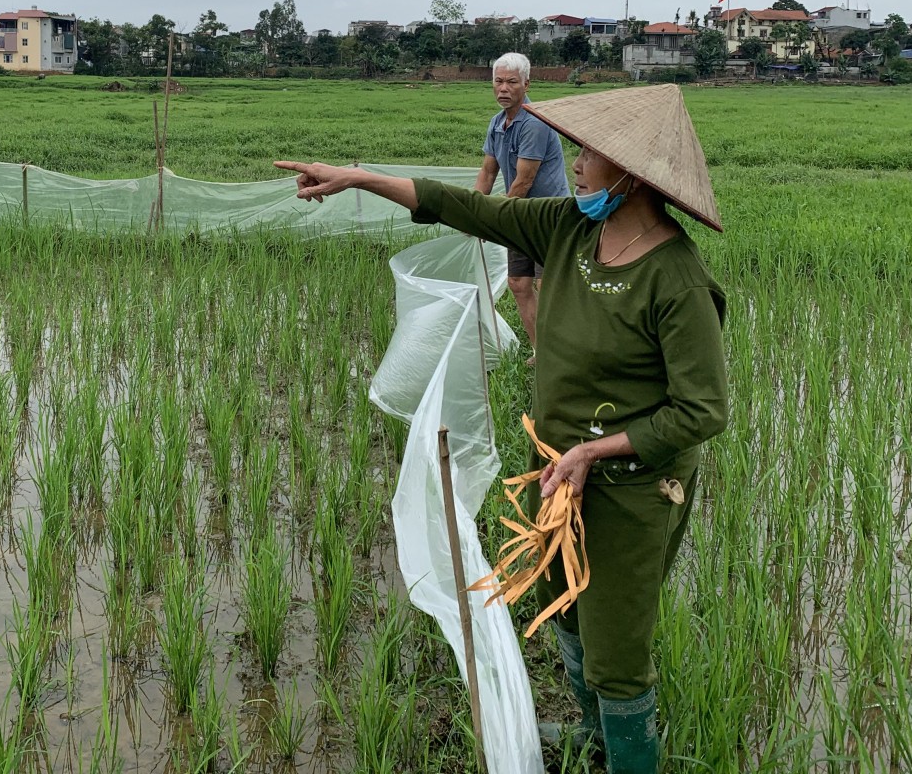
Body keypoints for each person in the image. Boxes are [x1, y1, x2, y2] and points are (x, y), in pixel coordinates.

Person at [276, 83, 727, 774]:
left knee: (615, 642)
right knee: (563, 608)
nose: (573, 164)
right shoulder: (571, 228)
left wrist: (595, 450)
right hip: (560, 469)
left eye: (587, 155)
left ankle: (631, 757)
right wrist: (359, 178)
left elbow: (702, 411)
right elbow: (472, 207)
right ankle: (591, 733)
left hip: (634, 485)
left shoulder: (675, 277)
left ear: (632, 176)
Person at [476, 53, 570, 356]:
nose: (503, 88)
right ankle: (540, 351)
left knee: (548, 286)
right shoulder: (497, 123)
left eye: (511, 82)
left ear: (526, 83)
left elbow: (523, 182)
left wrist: (492, 217)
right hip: (519, 215)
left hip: (547, 215)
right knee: (518, 282)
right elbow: (489, 170)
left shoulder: (535, 122)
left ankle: (563, 353)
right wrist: (474, 210)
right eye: (498, 81)